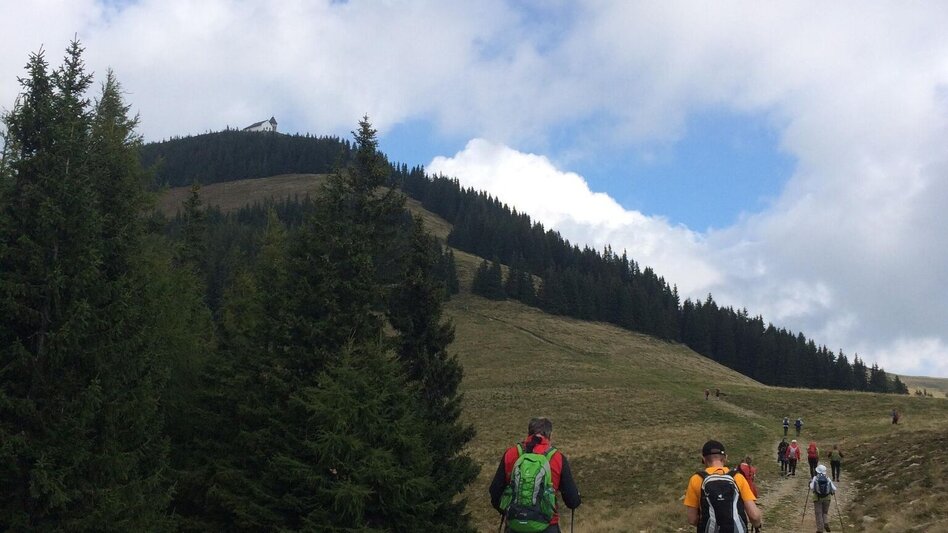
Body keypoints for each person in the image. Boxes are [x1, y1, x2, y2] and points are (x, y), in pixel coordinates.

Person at [489, 417, 581, 532]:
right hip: (548, 526)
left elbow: (494, 491)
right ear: (549, 435)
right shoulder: (557, 458)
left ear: (529, 432)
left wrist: (508, 510)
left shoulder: (511, 454)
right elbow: (572, 501)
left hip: (515, 526)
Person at [684, 440, 762, 532]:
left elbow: (692, 519)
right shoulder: (737, 477)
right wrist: (757, 525)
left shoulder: (696, 479)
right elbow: (754, 515)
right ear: (725, 458)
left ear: (703, 459)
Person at [809, 464, 837, 533]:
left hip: (817, 498)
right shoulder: (827, 478)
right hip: (827, 498)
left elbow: (812, 487)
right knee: (824, 512)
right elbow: (834, 488)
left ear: (817, 471)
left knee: (818, 514)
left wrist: (810, 483)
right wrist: (831, 491)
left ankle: (820, 530)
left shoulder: (815, 478)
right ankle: (826, 523)